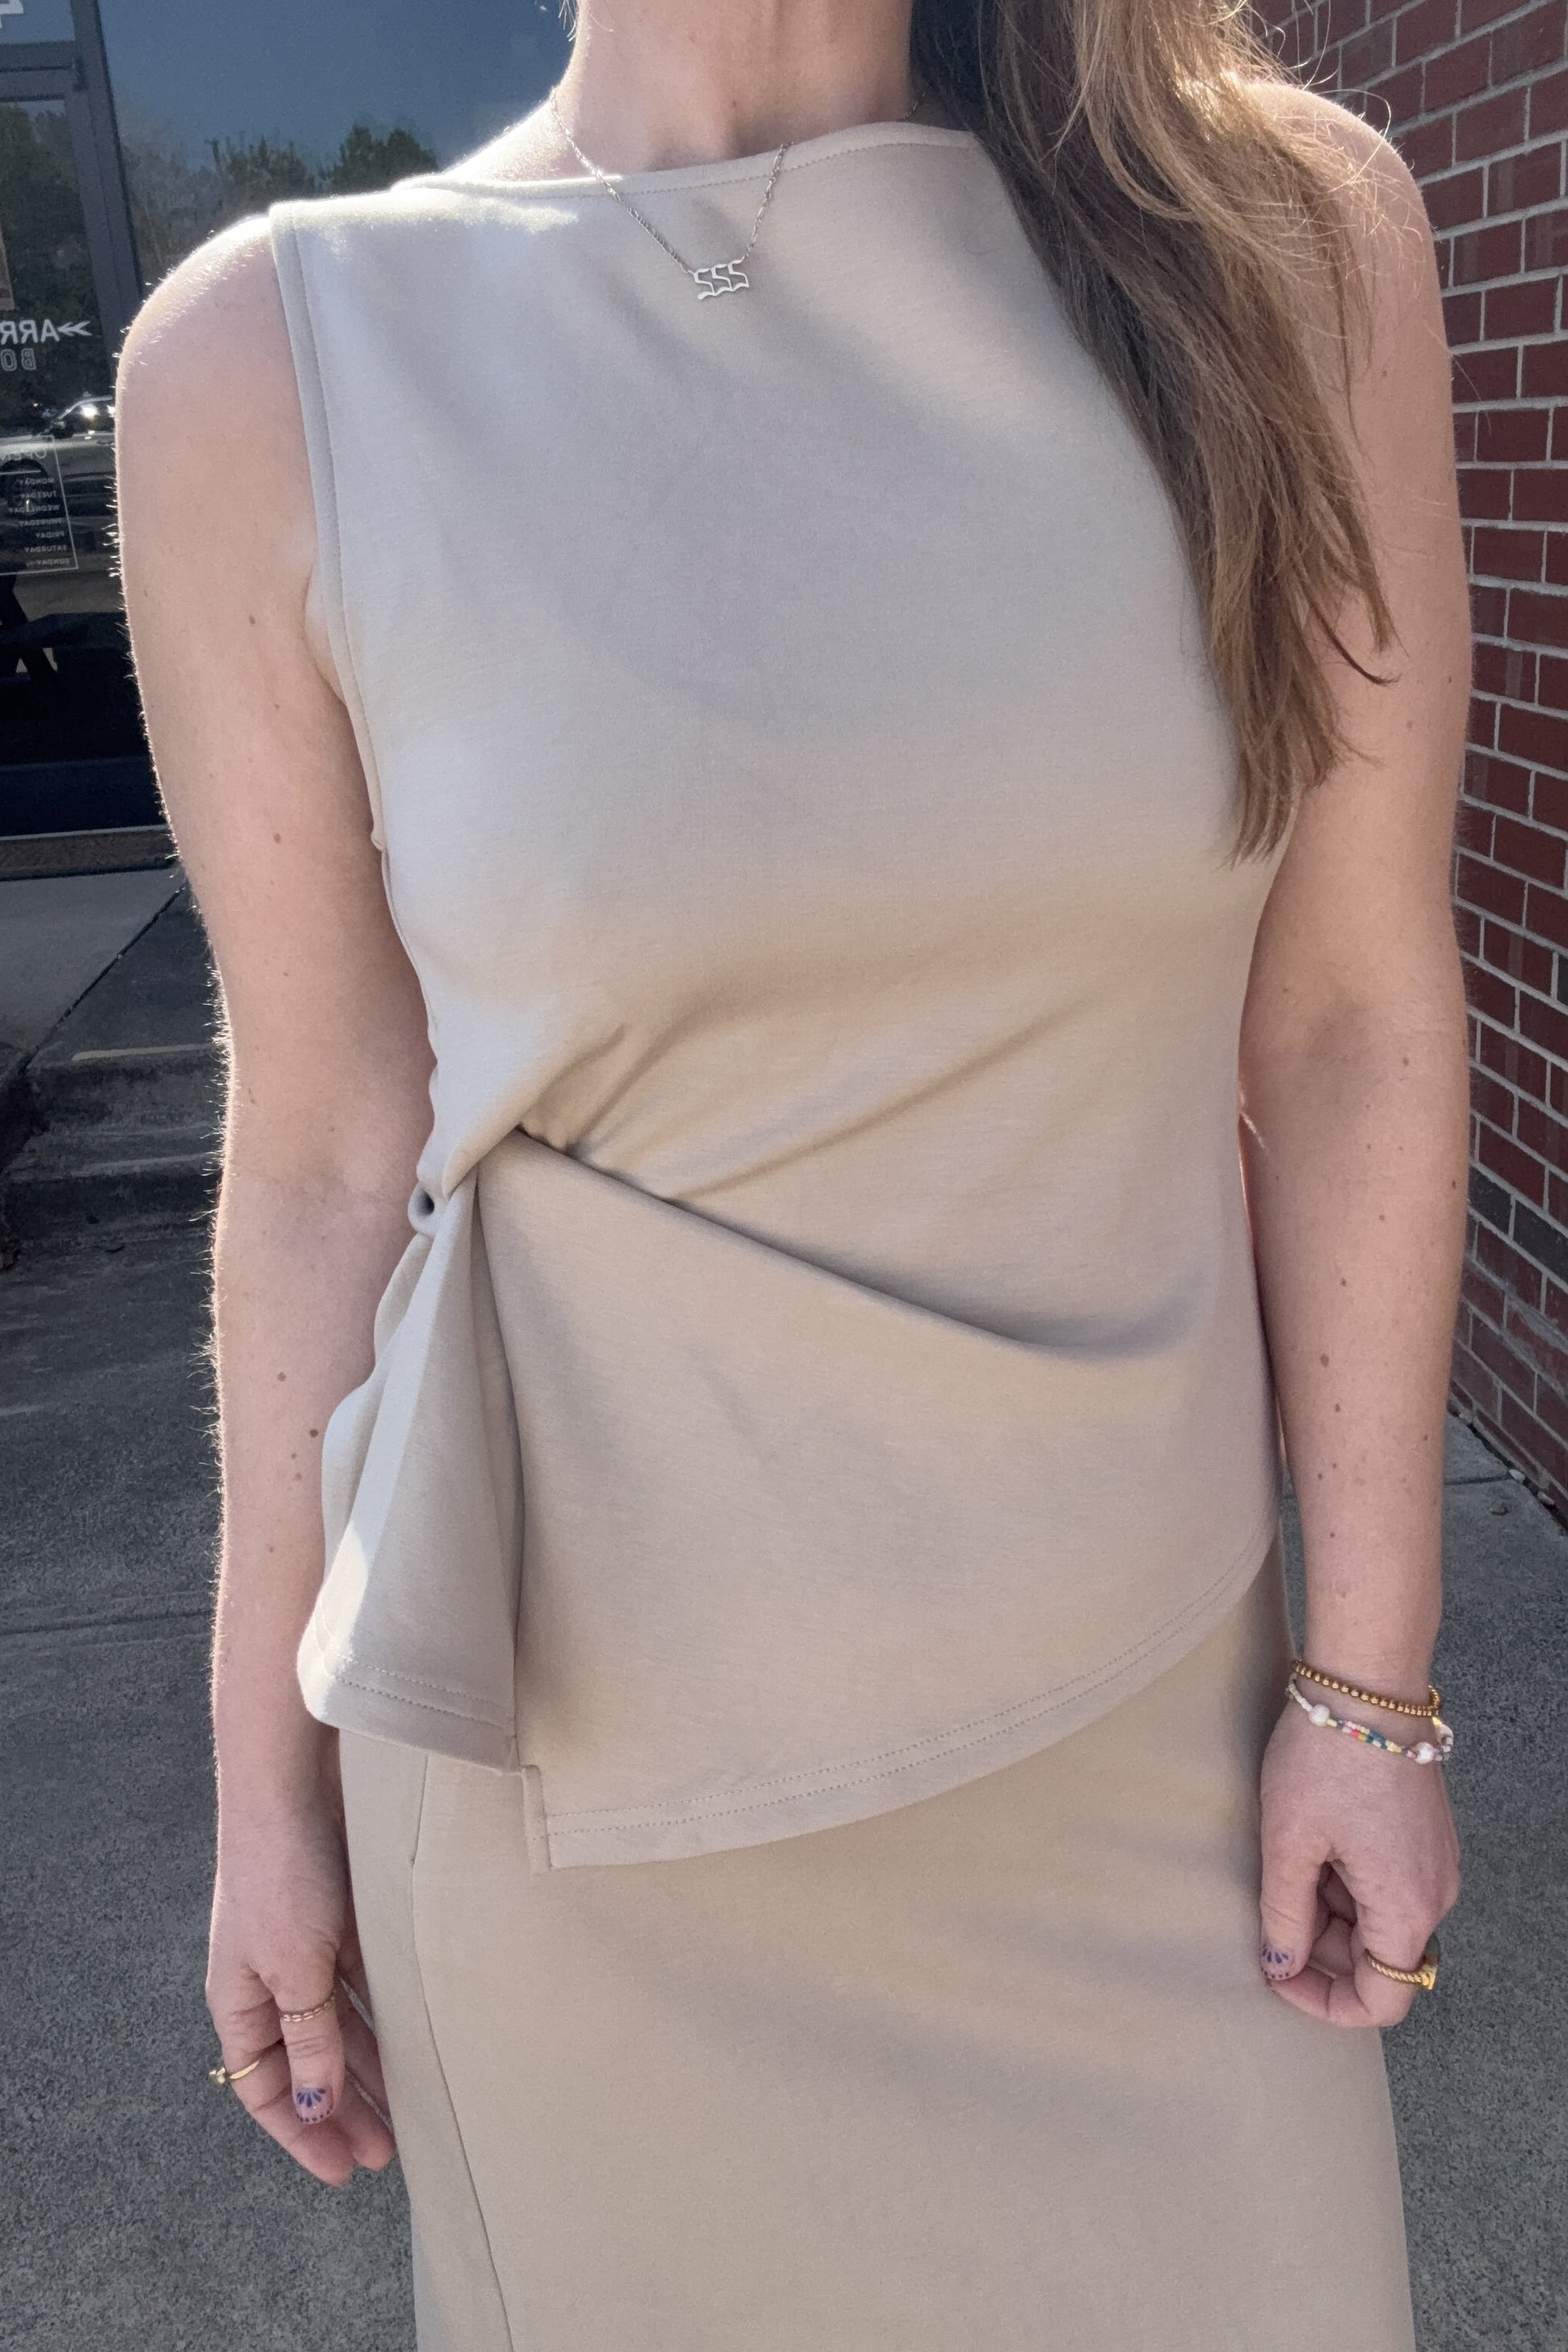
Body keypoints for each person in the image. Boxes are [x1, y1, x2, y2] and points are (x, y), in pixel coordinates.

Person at [114, 0, 1470, 2343]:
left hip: (1151, 1764)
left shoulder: (1272, 248)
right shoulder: (268, 362)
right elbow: (325, 1153)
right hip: (577, 1810)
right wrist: (268, 1792)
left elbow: (1347, 1017)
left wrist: (1373, 1686)